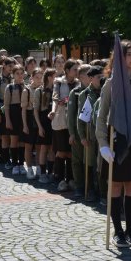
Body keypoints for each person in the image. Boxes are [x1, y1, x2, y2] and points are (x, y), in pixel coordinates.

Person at [96, 40, 131, 248]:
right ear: (119, 57)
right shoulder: (111, 83)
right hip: (115, 136)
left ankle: (130, 230)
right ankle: (118, 231)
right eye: (128, 54)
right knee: (115, 185)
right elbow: (101, 116)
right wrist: (103, 144)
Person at [49, 59, 79, 192]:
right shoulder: (59, 82)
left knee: (71, 152)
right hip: (61, 121)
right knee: (61, 151)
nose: (77, 72)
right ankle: (60, 179)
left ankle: (71, 179)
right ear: (67, 70)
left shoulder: (79, 83)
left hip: (74, 122)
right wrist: (53, 111)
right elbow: (55, 98)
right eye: (74, 69)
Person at [77, 65, 103, 202]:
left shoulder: (106, 91)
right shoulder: (85, 94)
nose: (101, 79)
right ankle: (91, 189)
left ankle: (101, 189)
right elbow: (80, 117)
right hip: (90, 134)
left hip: (103, 134)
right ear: (91, 79)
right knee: (90, 163)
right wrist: (82, 136)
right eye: (99, 77)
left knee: (101, 164)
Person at [68, 64, 92, 198]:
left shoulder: (95, 91)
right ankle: (79, 185)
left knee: (89, 161)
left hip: (90, 132)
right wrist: (71, 133)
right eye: (89, 74)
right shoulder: (75, 92)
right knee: (77, 161)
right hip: (78, 132)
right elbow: (71, 115)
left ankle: (90, 186)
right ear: (82, 77)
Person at [34, 68, 56, 183]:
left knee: (52, 147)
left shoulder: (57, 90)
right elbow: (36, 111)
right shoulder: (39, 91)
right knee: (43, 148)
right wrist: (39, 127)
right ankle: (42, 173)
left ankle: (50, 172)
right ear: (49, 77)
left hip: (54, 121)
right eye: (54, 76)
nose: (56, 78)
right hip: (43, 122)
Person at [4, 64, 27, 175]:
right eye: (17, 73)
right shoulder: (9, 87)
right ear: (13, 75)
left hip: (23, 114)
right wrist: (7, 119)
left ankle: (21, 163)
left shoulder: (26, 87)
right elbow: (6, 105)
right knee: (14, 139)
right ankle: (14, 163)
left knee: (22, 140)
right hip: (13, 114)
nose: (20, 75)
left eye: (21, 73)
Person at [22, 68, 43, 180]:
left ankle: (39, 166)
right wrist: (25, 125)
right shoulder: (27, 90)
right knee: (29, 146)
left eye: (41, 77)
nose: (39, 80)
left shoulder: (43, 89)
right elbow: (24, 110)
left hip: (40, 117)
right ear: (32, 78)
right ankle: (29, 168)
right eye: (37, 77)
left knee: (39, 145)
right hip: (30, 118)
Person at [0, 57, 15, 168]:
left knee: (13, 136)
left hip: (13, 109)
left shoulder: (14, 78)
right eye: (9, 66)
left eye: (13, 66)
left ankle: (12, 157)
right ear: (4, 66)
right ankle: (6, 159)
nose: (11, 68)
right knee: (4, 136)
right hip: (2, 108)